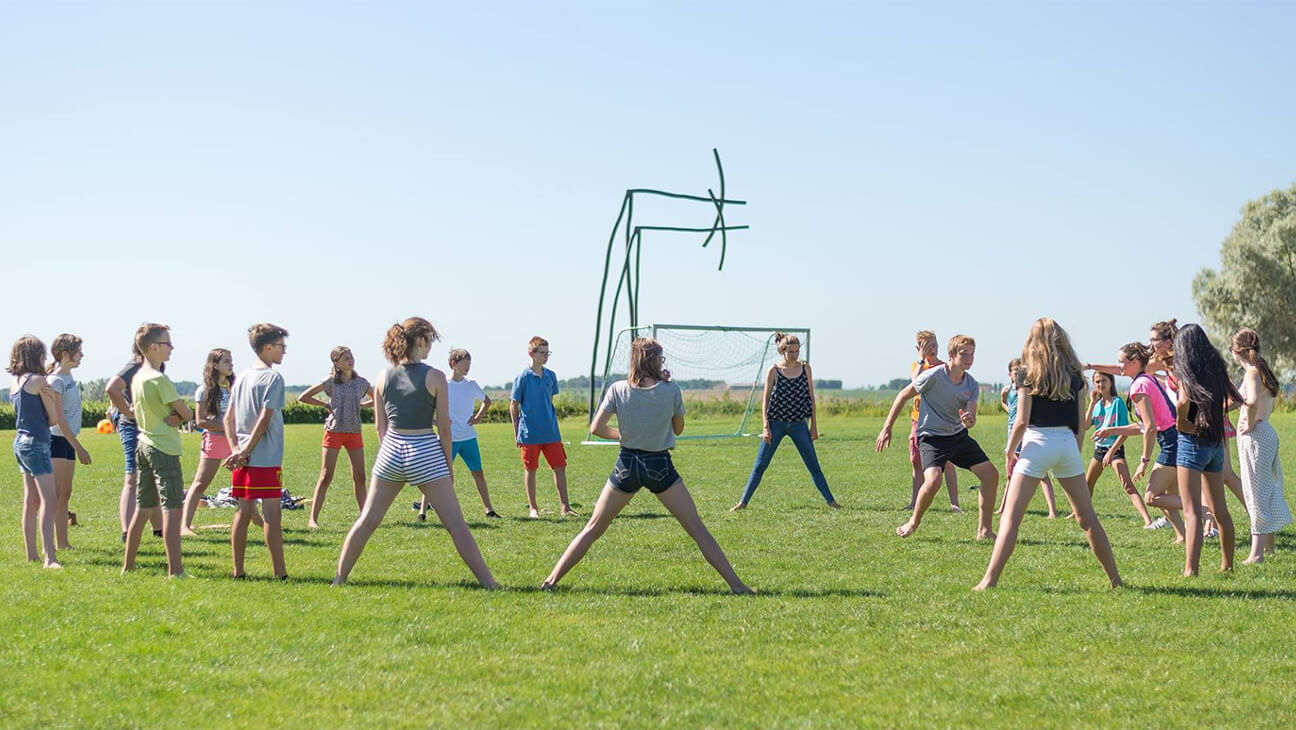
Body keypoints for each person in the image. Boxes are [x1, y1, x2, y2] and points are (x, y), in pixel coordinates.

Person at [543, 338, 752, 594]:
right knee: (696, 528)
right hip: (660, 465)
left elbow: (596, 428)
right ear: (655, 360)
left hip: (627, 465)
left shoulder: (617, 388)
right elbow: (678, 429)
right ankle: (737, 585)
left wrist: (621, 434)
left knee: (593, 528)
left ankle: (550, 581)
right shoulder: (670, 389)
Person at [332, 317, 497, 588]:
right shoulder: (435, 377)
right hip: (425, 450)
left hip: (391, 450)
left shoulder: (382, 376)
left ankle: (339, 579)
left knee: (367, 521)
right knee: (456, 525)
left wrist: (392, 453)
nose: (431, 346)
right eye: (430, 340)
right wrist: (447, 466)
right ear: (421, 341)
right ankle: (490, 584)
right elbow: (445, 429)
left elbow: (379, 427)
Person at [975, 318, 1121, 590]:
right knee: (1087, 519)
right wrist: (1073, 454)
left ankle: (988, 581)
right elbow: (1080, 425)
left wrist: (1009, 451)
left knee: (1011, 518)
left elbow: (1021, 421)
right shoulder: (1076, 376)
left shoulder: (1025, 374)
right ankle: (1116, 579)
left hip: (1036, 443)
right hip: (1066, 444)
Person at [875, 335, 997, 541]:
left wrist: (969, 420)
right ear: (951, 355)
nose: (969, 358)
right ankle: (913, 522)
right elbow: (903, 395)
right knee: (933, 481)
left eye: (972, 354)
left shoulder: (972, 384)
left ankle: (984, 531)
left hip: (957, 436)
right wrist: (887, 427)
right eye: (964, 354)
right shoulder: (933, 375)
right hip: (932, 438)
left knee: (991, 475)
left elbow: (971, 418)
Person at [1090, 342, 1187, 543]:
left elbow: (1150, 428)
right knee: (1168, 495)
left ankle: (1203, 508)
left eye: (1121, 362)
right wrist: (1111, 430)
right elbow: (1143, 426)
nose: (1119, 367)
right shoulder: (1145, 379)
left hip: (1170, 442)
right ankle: (1182, 536)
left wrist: (1144, 461)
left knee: (1152, 496)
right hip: (1175, 438)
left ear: (1134, 362)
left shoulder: (1138, 386)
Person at [730, 332, 839, 511]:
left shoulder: (806, 369)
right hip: (776, 424)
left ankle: (831, 501)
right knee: (760, 465)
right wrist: (766, 427)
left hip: (799, 424)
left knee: (813, 465)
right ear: (782, 351)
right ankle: (743, 502)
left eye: (797, 351)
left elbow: (811, 397)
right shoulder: (773, 371)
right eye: (790, 352)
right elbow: (765, 400)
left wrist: (814, 426)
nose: (794, 355)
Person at [122, 323, 191, 577]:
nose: (171, 347)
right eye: (167, 343)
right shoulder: (159, 379)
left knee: (142, 508)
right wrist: (181, 417)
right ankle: (176, 570)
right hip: (164, 448)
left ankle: (128, 566)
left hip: (143, 445)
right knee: (172, 509)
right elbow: (186, 411)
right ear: (153, 347)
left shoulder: (138, 377)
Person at [1171, 323, 1240, 576]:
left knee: (1192, 513)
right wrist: (1213, 416)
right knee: (1220, 510)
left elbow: (1182, 401)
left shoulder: (1187, 369)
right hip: (1215, 443)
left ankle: (1191, 570)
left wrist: (1183, 423)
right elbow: (1236, 398)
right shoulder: (1217, 366)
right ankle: (1227, 565)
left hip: (1191, 445)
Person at [223, 323, 290, 580]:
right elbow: (265, 418)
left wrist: (236, 451)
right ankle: (280, 574)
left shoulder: (241, 378)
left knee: (243, 512)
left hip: (242, 458)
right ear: (268, 347)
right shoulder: (273, 378)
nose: (284, 352)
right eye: (282, 347)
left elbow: (228, 417)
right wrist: (245, 451)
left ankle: (238, 571)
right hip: (265, 458)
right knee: (273, 514)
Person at [181, 348, 262, 536]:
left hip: (236, 442)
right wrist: (226, 428)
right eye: (226, 361)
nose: (231, 364)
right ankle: (185, 526)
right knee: (200, 483)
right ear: (214, 365)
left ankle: (256, 519)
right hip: (215, 441)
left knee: (244, 482)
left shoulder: (235, 387)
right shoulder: (204, 390)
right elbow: (200, 421)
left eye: (231, 360)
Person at [1230, 327, 1291, 564]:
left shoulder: (1252, 373)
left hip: (1256, 436)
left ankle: (1256, 554)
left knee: (1255, 494)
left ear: (1237, 350)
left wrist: (1249, 421)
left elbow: (1253, 400)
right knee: (1265, 490)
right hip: (1266, 433)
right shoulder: (1261, 369)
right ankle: (1269, 547)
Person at [418, 348, 499, 521]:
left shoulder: (471, 384)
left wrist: (477, 418)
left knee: (478, 473)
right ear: (453, 364)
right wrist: (435, 421)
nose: (468, 366)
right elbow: (425, 406)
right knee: (436, 474)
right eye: (464, 362)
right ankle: (422, 512)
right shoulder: (443, 384)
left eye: (469, 362)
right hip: (449, 438)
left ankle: (489, 509)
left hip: (468, 437)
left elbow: (487, 401)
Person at [299, 346, 373, 530]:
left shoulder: (361, 382)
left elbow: (379, 397)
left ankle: (364, 518)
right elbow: (303, 397)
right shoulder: (330, 382)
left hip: (354, 432)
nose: (350, 360)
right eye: (345, 357)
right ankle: (313, 520)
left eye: (351, 356)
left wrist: (364, 406)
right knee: (326, 476)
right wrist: (325, 404)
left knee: (360, 477)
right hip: (334, 432)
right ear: (337, 363)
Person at [9, 336, 62, 568]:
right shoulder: (39, 382)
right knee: (49, 501)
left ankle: (32, 555)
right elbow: (53, 419)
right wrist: (51, 399)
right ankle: (50, 558)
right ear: (36, 356)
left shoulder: (15, 382)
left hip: (20, 442)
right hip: (37, 443)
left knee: (30, 501)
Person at [511, 336, 576, 518]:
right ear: (531, 353)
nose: (546, 356)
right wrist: (516, 432)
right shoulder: (522, 377)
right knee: (531, 470)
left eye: (548, 353)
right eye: (542, 353)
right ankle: (533, 508)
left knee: (560, 467)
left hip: (551, 432)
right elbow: (513, 405)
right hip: (529, 433)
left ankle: (565, 507)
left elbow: (549, 400)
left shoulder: (551, 375)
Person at [1083, 371, 1153, 527]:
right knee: (1087, 484)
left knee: (1127, 485)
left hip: (1115, 450)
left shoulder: (1118, 403)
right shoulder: (1098, 404)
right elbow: (1086, 425)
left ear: (1111, 382)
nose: (1100, 384)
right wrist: (1093, 403)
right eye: (1097, 381)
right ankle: (1079, 513)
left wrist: (1111, 452)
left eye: (1103, 381)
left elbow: (1124, 431)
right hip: (1099, 450)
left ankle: (1148, 520)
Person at [105, 343, 159, 541]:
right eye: (165, 342)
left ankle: (158, 529)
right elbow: (112, 388)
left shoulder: (158, 367)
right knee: (132, 477)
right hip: (132, 426)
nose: (170, 347)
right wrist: (127, 412)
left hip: (151, 426)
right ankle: (127, 533)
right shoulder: (135, 365)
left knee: (152, 476)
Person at [905, 331, 961, 512]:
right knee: (916, 461)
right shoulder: (917, 366)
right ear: (919, 349)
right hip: (918, 421)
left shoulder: (945, 367)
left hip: (940, 420)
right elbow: (915, 382)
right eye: (927, 346)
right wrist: (922, 360)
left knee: (948, 462)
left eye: (934, 345)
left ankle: (954, 503)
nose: (932, 349)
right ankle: (915, 502)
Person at [46, 334, 92, 549]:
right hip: (57, 441)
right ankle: (58, 544)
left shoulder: (67, 377)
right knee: (56, 495)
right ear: (65, 354)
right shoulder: (56, 380)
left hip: (66, 442)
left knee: (65, 493)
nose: (81, 355)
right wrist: (79, 448)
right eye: (78, 351)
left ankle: (63, 543)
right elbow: (59, 419)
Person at [996, 358, 1057, 519]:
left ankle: (1052, 510)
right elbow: (1004, 402)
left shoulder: (1029, 390)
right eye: (1015, 372)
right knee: (1010, 471)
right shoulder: (1007, 390)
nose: (1018, 375)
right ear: (1010, 374)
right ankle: (1003, 507)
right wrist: (1009, 410)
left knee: (1041, 472)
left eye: (1020, 371)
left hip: (1027, 431)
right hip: (1012, 430)